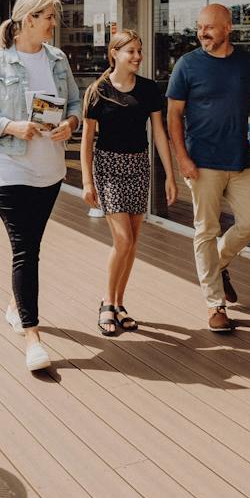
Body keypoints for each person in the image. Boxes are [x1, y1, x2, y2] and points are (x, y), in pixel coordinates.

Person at [0, 0, 81, 373]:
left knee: (32, 244)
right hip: (10, 169)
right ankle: (32, 337)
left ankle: (16, 305)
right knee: (25, 248)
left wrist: (70, 124)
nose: (53, 23)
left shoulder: (58, 59)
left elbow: (76, 105)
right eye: (48, 16)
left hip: (50, 171)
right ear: (27, 19)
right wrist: (11, 125)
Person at [166, 3, 250, 334]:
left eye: (210, 27)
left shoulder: (246, 63)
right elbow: (174, 115)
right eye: (199, 27)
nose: (203, 33)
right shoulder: (187, 65)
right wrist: (182, 158)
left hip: (240, 159)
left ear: (228, 28)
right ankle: (215, 305)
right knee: (206, 229)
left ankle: (218, 263)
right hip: (202, 163)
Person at [80, 30, 177, 336]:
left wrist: (170, 176)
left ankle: (120, 304)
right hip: (108, 166)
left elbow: (159, 133)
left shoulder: (149, 89)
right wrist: (87, 182)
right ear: (114, 54)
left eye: (139, 51)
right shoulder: (97, 91)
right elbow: (86, 141)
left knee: (133, 241)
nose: (137, 57)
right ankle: (107, 303)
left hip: (139, 165)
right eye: (131, 52)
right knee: (122, 239)